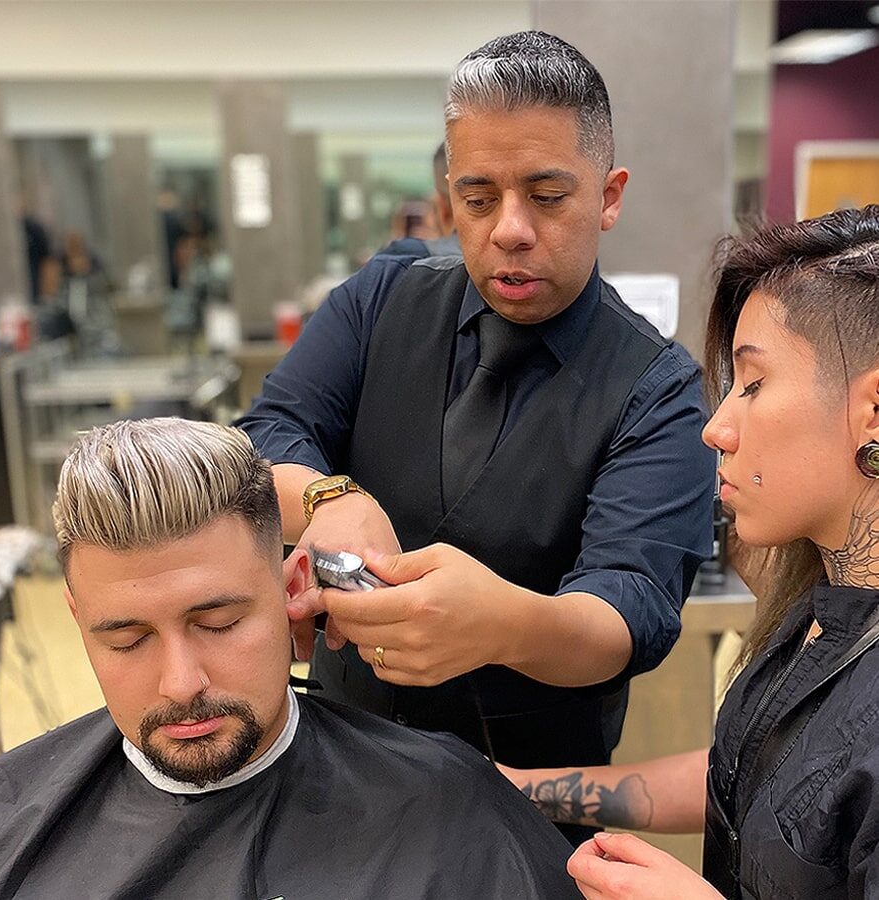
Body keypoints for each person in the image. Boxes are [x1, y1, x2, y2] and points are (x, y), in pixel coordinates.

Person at [238, 30, 714, 844]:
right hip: (339, 753)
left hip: (524, 796)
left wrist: (502, 625)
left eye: (548, 195)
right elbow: (267, 433)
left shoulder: (657, 389)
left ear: (608, 195)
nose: (510, 230)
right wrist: (327, 497)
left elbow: (627, 613)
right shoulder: (385, 297)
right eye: (480, 197)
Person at [0, 418, 579, 900]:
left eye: (219, 623)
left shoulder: (450, 816)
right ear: (78, 618)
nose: (182, 682)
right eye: (128, 640)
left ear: (294, 589)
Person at [500, 205, 879, 898]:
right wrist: (524, 790)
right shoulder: (816, 603)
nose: (719, 428)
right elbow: (764, 780)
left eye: (753, 385)